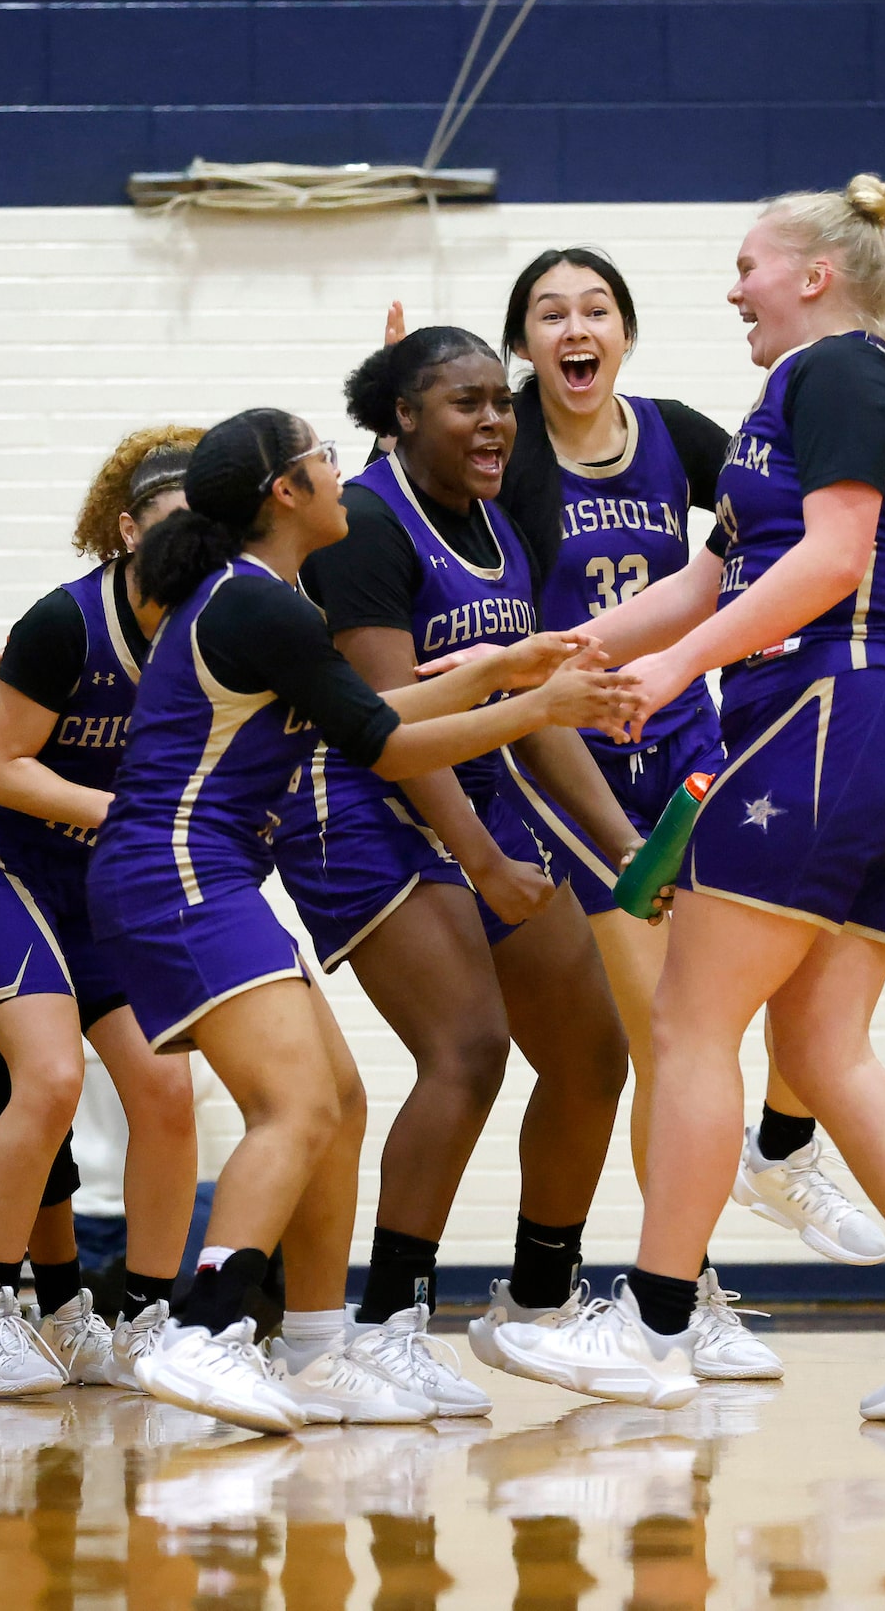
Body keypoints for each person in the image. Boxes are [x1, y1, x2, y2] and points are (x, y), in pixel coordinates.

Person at [497, 176, 885, 1422]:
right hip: (881, 740)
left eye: (748, 263)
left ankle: (650, 1328)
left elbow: (835, 558)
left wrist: (680, 670)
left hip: (827, 720)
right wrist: (547, 659)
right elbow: (706, 579)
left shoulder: (837, 374)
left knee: (691, 1030)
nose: (731, 285)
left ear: (812, 272)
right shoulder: (812, 387)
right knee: (817, 1047)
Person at [87, 408, 636, 1434]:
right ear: (285, 494)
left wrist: (507, 670)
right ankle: (202, 1333)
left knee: (334, 1100)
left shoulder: (270, 600)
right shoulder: (262, 608)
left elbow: (378, 713)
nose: (344, 474)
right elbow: (386, 750)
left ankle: (316, 1346)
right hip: (176, 870)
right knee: (296, 1107)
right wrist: (535, 709)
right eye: (324, 461)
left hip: (200, 874)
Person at [488, 250, 885, 1277]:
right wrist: (398, 433)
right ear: (525, 346)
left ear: (625, 333)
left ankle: (778, 1156)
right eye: (550, 314)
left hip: (685, 731)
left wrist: (880, 415)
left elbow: (786, 510)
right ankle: (686, 1291)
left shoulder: (678, 433)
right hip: (576, 737)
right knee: (667, 1034)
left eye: (595, 308)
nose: (574, 328)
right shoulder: (504, 451)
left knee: (767, 990)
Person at [276, 325, 639, 1407]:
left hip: (467, 808)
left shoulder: (498, 521)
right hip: (358, 809)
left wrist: (625, 845)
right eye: (463, 402)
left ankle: (537, 1302)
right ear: (403, 416)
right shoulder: (368, 526)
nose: (492, 421)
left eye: (499, 401)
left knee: (592, 1052)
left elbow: (534, 712)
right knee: (469, 1050)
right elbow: (388, 728)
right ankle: (384, 1324)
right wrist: (482, 863)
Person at [0, 428, 205, 1394]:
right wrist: (125, 816)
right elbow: (1, 769)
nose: (189, 550)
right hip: (2, 869)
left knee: (168, 1093)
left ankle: (143, 1319)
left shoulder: (219, 631)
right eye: (171, 529)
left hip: (110, 890)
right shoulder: (64, 624)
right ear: (126, 531)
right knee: (48, 1077)